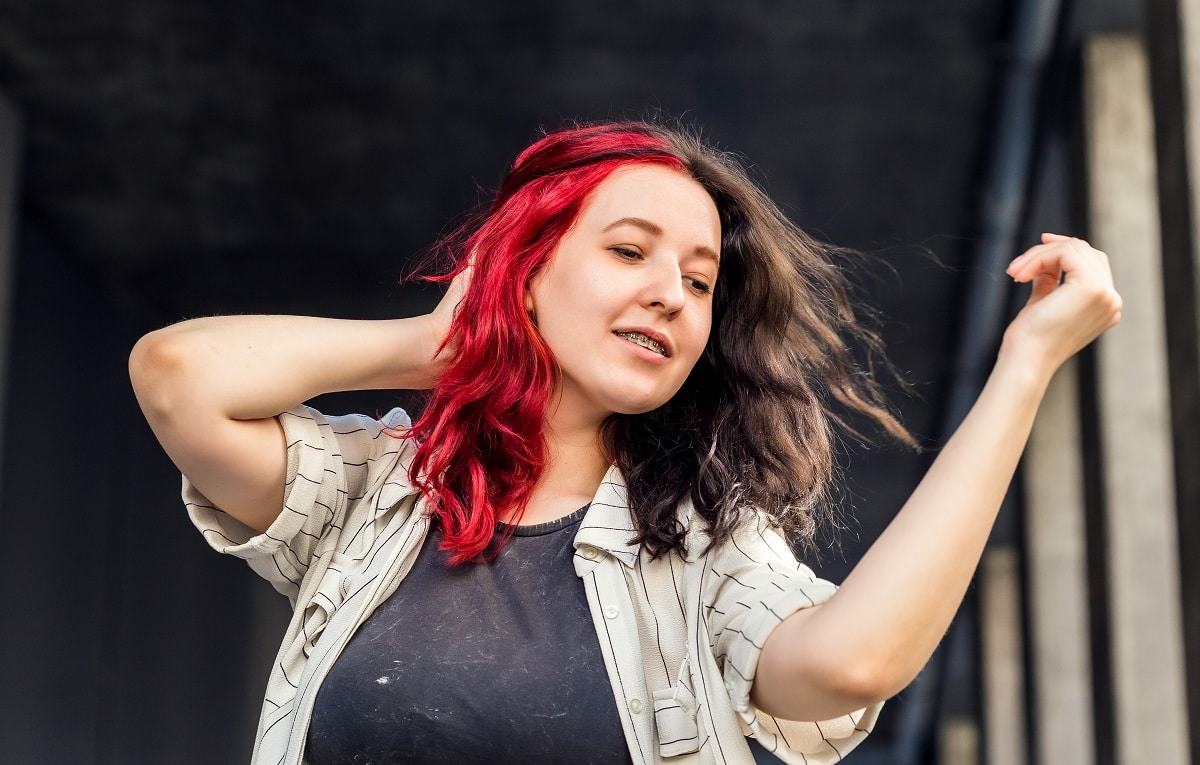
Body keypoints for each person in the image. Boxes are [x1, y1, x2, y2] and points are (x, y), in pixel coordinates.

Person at [128, 121, 1121, 765]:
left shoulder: (702, 546)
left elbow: (851, 664)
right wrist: (445, 342)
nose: (672, 294)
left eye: (699, 281)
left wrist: (1024, 367)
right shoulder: (374, 495)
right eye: (629, 251)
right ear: (524, 268)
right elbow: (179, 379)